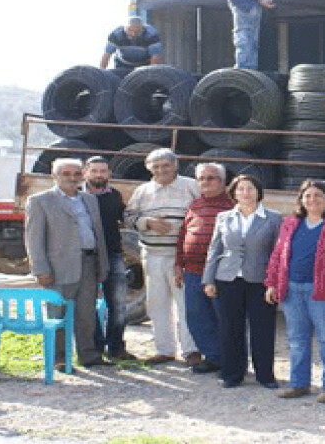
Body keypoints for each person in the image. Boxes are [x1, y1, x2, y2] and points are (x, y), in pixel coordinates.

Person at [25, 158, 111, 368]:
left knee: (86, 314)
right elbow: (33, 238)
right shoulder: (40, 201)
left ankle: (89, 356)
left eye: (76, 174)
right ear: (55, 176)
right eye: (66, 174)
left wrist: (102, 266)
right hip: (58, 267)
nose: (72, 178)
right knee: (57, 314)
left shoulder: (89, 200)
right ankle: (59, 358)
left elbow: (97, 233)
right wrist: (40, 269)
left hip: (89, 262)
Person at [264, 179, 325, 403]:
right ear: (301, 200)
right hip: (291, 288)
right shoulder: (291, 223)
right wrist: (271, 283)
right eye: (307, 196)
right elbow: (277, 255)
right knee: (297, 339)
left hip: (322, 290)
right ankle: (298, 383)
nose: (312, 200)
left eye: (318, 195)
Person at [203, 174, 282, 388]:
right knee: (229, 328)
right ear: (234, 193)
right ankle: (232, 374)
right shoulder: (224, 217)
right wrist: (208, 280)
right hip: (227, 279)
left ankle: (265, 375)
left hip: (260, 282)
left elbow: (278, 254)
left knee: (262, 329)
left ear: (258, 192)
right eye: (241, 189)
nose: (245, 193)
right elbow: (215, 249)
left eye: (250, 188)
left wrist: (274, 283)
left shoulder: (274, 219)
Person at [124, 148, 201, 366]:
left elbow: (203, 212)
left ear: (175, 165)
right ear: (149, 168)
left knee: (186, 304)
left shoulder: (191, 186)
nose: (161, 170)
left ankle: (191, 350)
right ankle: (164, 350)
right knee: (157, 305)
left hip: (181, 257)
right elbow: (129, 217)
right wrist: (147, 223)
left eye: (165, 165)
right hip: (152, 254)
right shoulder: (143, 191)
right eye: (156, 167)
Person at [176, 162, 233, 374]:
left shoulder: (232, 206)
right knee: (197, 316)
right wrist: (178, 265)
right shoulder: (194, 205)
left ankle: (231, 359)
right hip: (192, 271)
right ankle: (213, 357)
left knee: (223, 317)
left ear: (222, 181)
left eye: (211, 178)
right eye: (201, 178)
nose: (205, 182)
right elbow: (183, 235)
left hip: (221, 272)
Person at [83, 156, 136, 361]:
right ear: (86, 172)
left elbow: (124, 218)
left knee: (119, 303)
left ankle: (116, 347)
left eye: (103, 171)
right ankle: (95, 347)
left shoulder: (114, 195)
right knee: (88, 304)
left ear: (109, 174)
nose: (99, 175)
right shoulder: (77, 196)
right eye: (94, 171)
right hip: (86, 256)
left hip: (113, 255)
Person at [100, 16, 164, 74]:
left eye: (137, 31)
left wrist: (152, 74)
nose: (133, 34)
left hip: (144, 65)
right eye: (130, 30)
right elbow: (106, 54)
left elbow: (155, 58)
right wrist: (102, 72)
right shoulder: (116, 35)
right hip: (122, 64)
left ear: (142, 28)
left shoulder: (151, 35)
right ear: (124, 28)